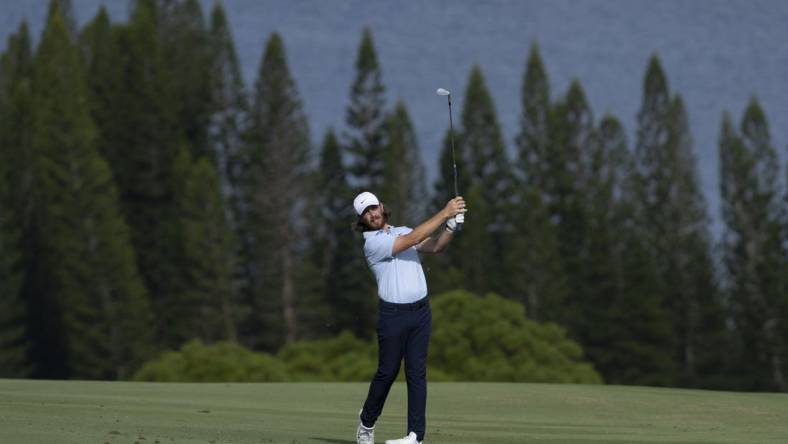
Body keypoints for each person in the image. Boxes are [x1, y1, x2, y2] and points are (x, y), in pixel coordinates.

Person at [353, 191, 466, 444]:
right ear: (361, 220)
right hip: (392, 316)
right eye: (365, 213)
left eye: (373, 208)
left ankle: (415, 435)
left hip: (421, 313)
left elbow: (435, 246)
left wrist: (450, 226)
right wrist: (445, 212)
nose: (372, 214)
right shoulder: (372, 243)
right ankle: (367, 421)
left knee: (416, 372)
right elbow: (414, 238)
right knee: (388, 372)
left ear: (381, 206)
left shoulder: (401, 229)